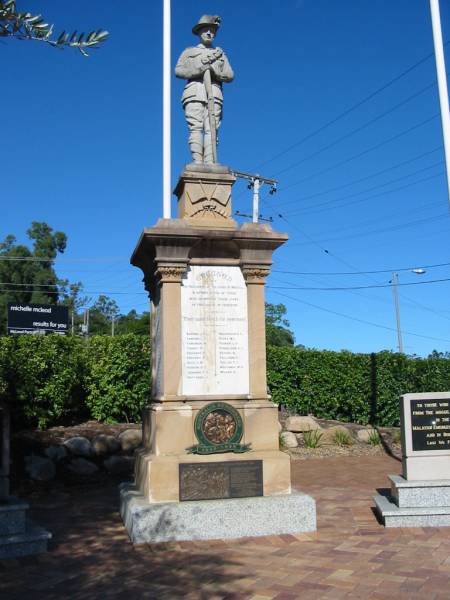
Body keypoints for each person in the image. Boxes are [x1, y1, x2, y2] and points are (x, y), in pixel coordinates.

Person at [175, 15, 234, 165]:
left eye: (212, 30)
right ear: (199, 32)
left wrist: (216, 74)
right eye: (206, 30)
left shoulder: (220, 54)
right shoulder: (189, 52)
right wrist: (198, 70)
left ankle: (210, 162)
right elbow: (178, 71)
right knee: (196, 128)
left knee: (212, 129)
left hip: (214, 92)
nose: (209, 33)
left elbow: (230, 75)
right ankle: (197, 162)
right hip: (194, 92)